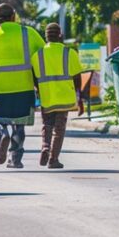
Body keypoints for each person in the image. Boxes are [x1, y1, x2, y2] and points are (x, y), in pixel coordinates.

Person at [0, 3, 44, 169]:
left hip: (0, 87)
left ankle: (3, 133)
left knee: (0, 119)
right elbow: (42, 56)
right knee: (19, 125)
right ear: (13, 17)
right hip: (24, 86)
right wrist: (39, 85)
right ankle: (15, 158)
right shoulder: (29, 34)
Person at [32, 23, 84, 169]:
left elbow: (35, 78)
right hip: (64, 97)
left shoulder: (37, 55)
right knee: (59, 128)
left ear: (46, 37)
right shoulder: (69, 53)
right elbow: (77, 78)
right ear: (60, 35)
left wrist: (39, 91)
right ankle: (53, 159)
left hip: (47, 97)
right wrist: (79, 98)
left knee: (47, 125)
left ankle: (45, 147)